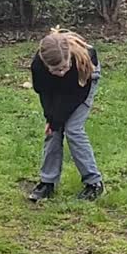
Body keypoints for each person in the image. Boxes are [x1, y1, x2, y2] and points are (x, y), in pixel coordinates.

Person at [29, 28, 104, 202]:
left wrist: (56, 120)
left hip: (82, 82)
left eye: (64, 67)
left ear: (68, 57)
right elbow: (45, 94)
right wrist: (51, 119)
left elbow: (74, 96)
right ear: (45, 65)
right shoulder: (38, 67)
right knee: (53, 132)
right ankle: (47, 182)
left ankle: (94, 183)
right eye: (56, 70)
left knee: (73, 130)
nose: (61, 72)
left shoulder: (81, 60)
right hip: (61, 89)